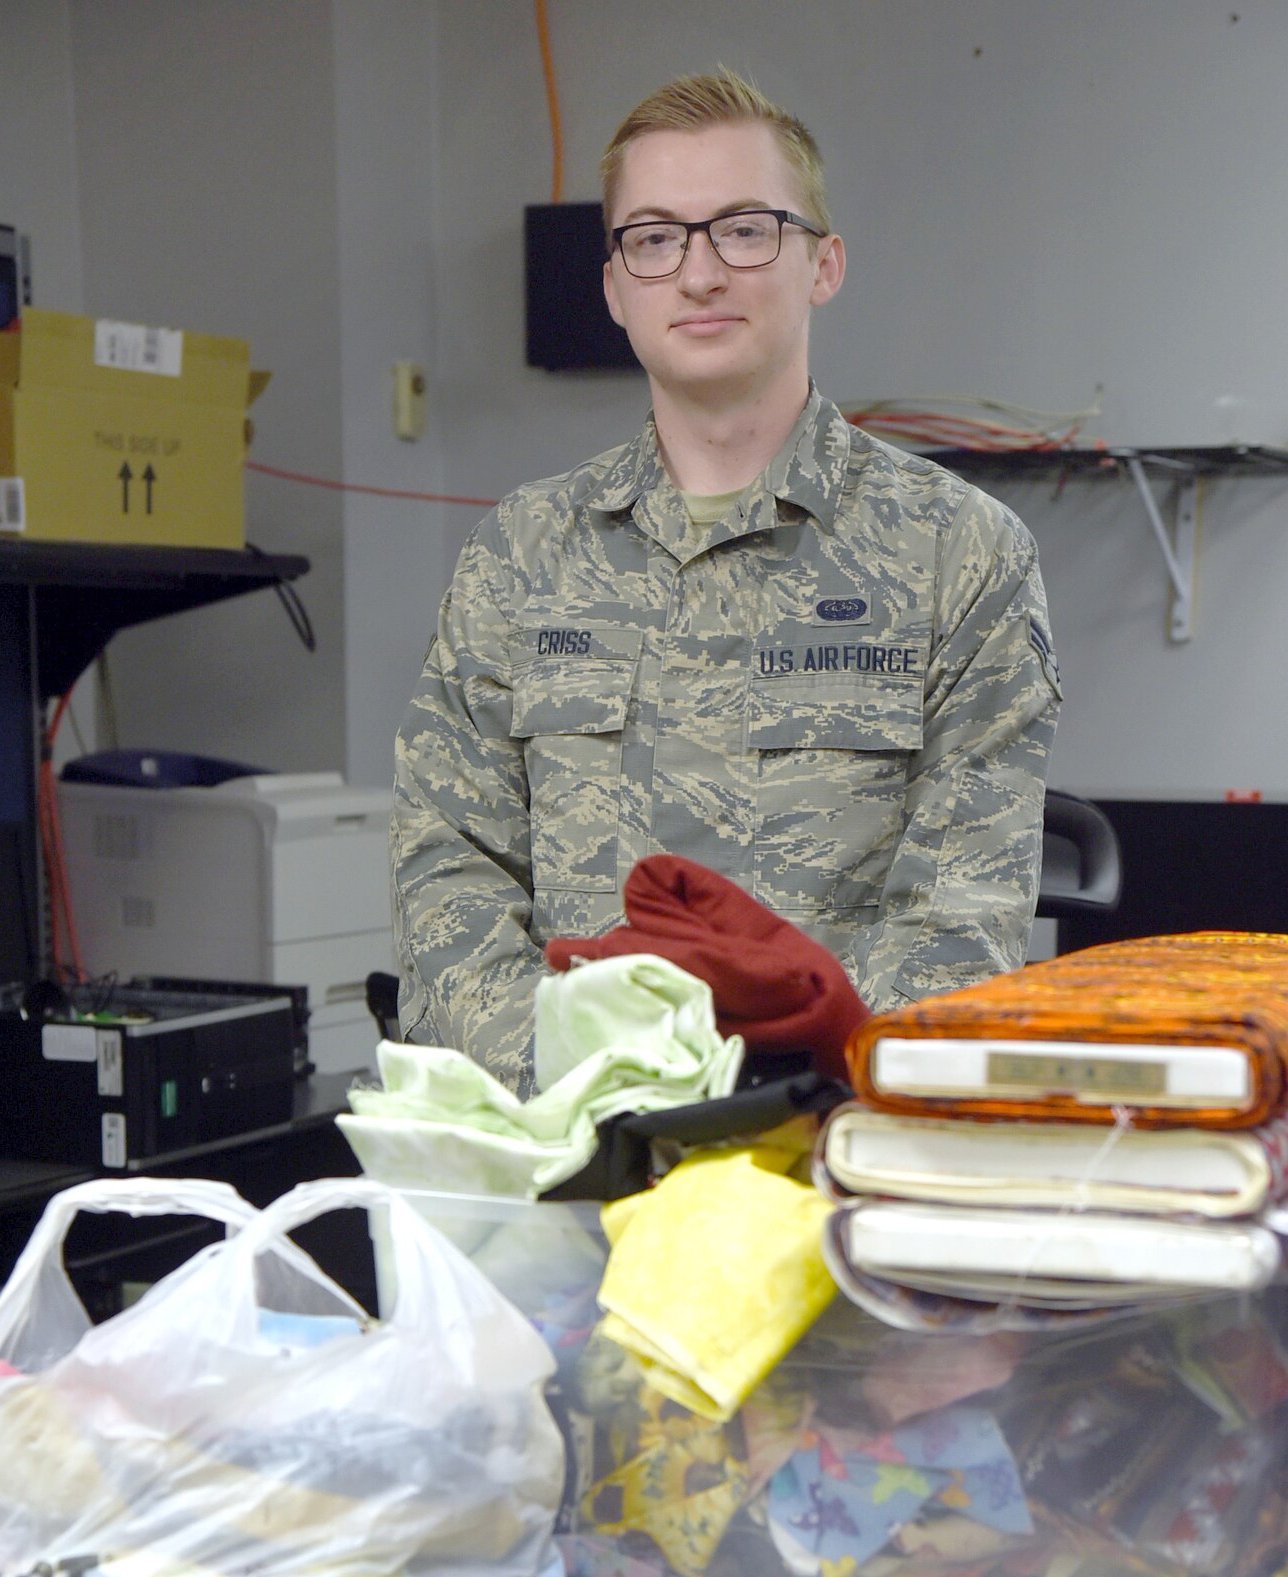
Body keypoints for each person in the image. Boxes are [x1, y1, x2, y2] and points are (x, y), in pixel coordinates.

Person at [393, 70, 1061, 1094]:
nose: (698, 273)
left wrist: (781, 1102)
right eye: (654, 238)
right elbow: (449, 870)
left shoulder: (958, 553)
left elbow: (964, 914)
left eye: (745, 229)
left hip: (827, 1156)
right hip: (566, 1151)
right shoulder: (520, 557)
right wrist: (575, 1084)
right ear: (616, 286)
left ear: (823, 263)